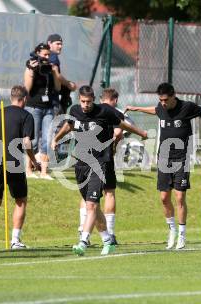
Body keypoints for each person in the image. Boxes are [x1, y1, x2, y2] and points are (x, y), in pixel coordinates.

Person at [125, 83, 201, 250]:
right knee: (164, 198)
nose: (163, 103)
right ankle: (171, 230)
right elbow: (155, 110)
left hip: (181, 159)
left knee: (179, 197)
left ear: (173, 96)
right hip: (164, 158)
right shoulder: (161, 108)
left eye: (165, 100)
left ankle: (182, 234)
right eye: (160, 100)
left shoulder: (186, 107)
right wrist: (135, 108)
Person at [51, 85, 147, 256]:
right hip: (80, 164)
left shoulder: (104, 111)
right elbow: (69, 125)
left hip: (99, 163)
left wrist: (142, 133)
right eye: (82, 101)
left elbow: (123, 125)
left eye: (88, 101)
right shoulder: (74, 110)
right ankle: (107, 240)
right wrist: (56, 139)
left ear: (93, 100)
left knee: (93, 204)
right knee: (92, 206)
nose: (85, 105)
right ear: (79, 100)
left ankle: (83, 241)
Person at [0, 85, 40, 249]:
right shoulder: (26, 116)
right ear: (24, 99)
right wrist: (33, 161)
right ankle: (15, 240)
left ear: (11, 97)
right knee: (20, 201)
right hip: (14, 161)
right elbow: (26, 142)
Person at [77, 88, 124, 246]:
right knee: (109, 193)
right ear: (115, 100)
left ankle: (84, 233)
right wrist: (114, 146)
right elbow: (118, 133)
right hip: (104, 158)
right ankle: (109, 233)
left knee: (87, 196)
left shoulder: (85, 112)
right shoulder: (114, 112)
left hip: (85, 158)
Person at [24, 42, 61, 179]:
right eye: (44, 54)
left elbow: (57, 88)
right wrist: (31, 70)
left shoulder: (50, 67)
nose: (46, 57)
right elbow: (27, 88)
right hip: (33, 107)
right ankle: (28, 169)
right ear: (37, 54)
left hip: (49, 108)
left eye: (48, 55)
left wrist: (55, 72)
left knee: (47, 139)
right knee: (32, 140)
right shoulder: (31, 65)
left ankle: (44, 172)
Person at [47, 33, 77, 115]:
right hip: (52, 101)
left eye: (61, 44)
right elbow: (56, 74)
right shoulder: (53, 55)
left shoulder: (43, 55)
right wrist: (69, 84)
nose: (60, 46)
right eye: (57, 44)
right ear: (49, 43)